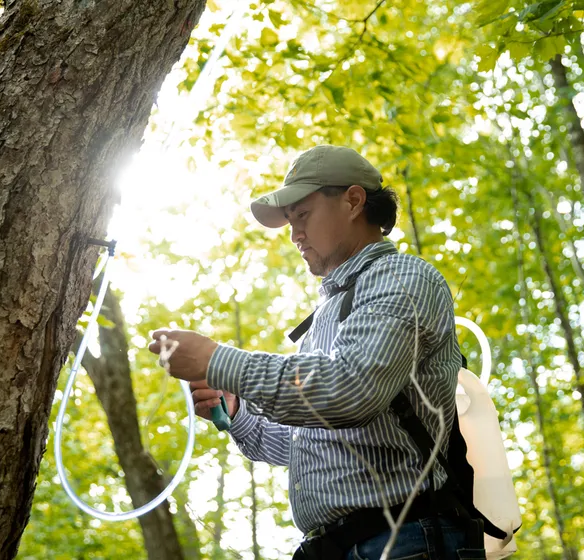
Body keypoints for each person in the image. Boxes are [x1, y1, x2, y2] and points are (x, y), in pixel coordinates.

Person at [148, 145, 484, 560]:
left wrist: (218, 361)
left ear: (353, 201)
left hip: (406, 541)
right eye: (289, 223)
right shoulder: (327, 315)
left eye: (302, 216)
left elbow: (350, 391)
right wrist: (237, 412)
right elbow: (311, 444)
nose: (294, 235)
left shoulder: (402, 277)